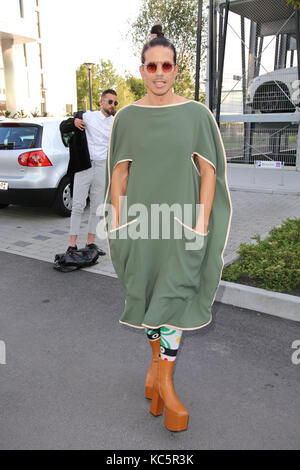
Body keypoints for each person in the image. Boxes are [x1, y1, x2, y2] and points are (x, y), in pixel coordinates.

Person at [103, 26, 232, 432]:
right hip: (143, 227)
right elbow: (119, 177)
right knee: (150, 299)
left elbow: (209, 174)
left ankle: (166, 386)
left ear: (176, 70)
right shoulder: (126, 117)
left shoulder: (196, 114)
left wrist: (200, 223)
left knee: (172, 303)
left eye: (167, 65)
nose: (160, 72)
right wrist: (120, 229)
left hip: (179, 228)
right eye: (152, 66)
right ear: (142, 70)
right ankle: (155, 371)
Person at [60, 89, 118, 254]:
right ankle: (72, 245)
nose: (113, 105)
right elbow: (64, 126)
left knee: (96, 207)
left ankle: (90, 243)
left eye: (115, 103)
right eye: (110, 101)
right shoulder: (89, 117)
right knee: (78, 206)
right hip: (84, 166)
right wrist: (74, 122)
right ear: (102, 101)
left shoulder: (115, 122)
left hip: (102, 167)